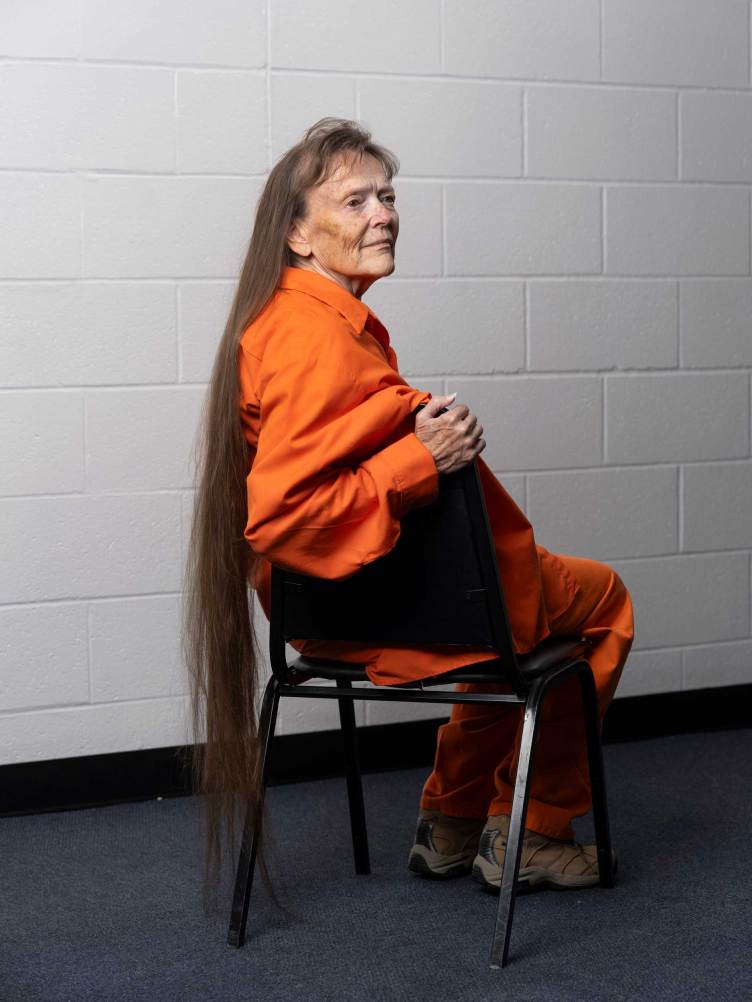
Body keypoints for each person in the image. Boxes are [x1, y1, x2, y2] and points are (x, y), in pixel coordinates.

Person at [183, 117, 634, 912]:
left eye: (386, 196)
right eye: (354, 201)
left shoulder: (299, 325)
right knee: (601, 603)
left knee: (495, 625)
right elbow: (285, 518)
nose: (384, 214)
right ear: (296, 234)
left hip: (354, 609)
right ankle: (530, 830)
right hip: (394, 613)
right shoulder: (311, 339)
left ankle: (455, 823)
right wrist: (420, 459)